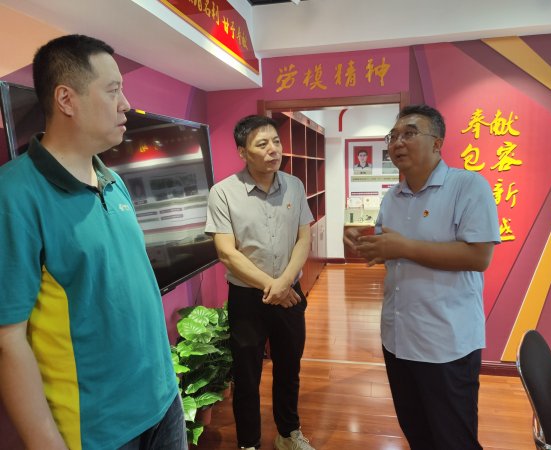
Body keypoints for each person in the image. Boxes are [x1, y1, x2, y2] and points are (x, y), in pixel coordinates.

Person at [0, 34, 185, 450]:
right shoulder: (14, 195)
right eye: (113, 90)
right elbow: (8, 338)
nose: (126, 104)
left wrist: (169, 384)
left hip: (163, 402)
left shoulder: (113, 180)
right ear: (67, 99)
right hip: (99, 430)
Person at [344, 104, 500, 450]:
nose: (398, 142)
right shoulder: (392, 197)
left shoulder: (468, 186)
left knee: (454, 439)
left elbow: (479, 256)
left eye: (409, 133)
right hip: (398, 337)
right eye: (393, 136)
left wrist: (403, 247)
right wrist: (366, 244)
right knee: (417, 433)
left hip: (446, 342)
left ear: (437, 143)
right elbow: (389, 253)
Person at [205, 115, 315, 450]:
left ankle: (288, 433)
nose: (273, 150)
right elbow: (227, 253)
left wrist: (285, 283)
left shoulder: (295, 185)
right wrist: (274, 286)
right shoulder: (223, 193)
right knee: (246, 375)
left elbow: (304, 238)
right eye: (262, 144)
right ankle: (248, 443)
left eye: (276, 142)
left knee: (289, 368)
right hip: (247, 299)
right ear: (243, 152)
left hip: (290, 295)